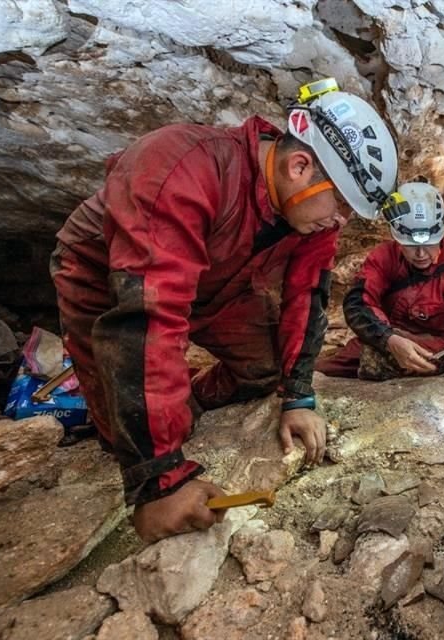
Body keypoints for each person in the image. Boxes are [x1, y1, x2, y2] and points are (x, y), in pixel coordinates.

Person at [50, 78, 399, 542]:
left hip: (217, 280)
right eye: (342, 205)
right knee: (126, 430)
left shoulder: (311, 221)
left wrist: (297, 396)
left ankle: (185, 403)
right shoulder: (182, 165)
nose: (341, 221)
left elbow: (306, 297)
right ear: (300, 166)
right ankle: (156, 431)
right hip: (110, 279)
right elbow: (147, 316)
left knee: (264, 369)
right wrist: (160, 481)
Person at [316, 182, 444, 379]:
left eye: (430, 245)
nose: (421, 254)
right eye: (410, 246)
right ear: (397, 238)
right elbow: (358, 304)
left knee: (378, 362)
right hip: (384, 339)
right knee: (322, 371)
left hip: (433, 348)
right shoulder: (383, 258)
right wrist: (388, 338)